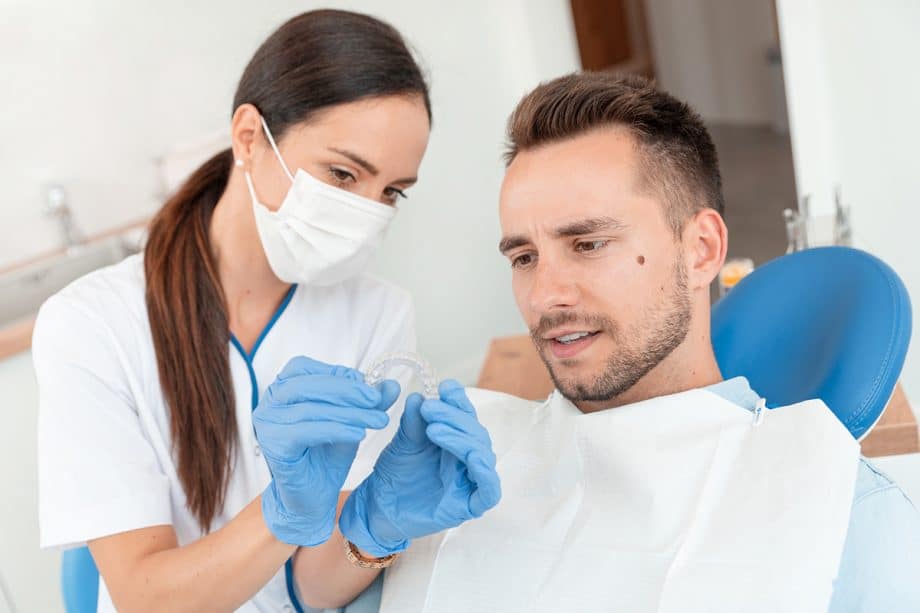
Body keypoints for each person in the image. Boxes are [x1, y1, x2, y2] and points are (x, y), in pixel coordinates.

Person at [347, 73, 920, 612]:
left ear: (700, 250)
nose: (544, 295)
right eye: (525, 257)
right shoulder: (459, 471)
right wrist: (366, 529)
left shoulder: (843, 520)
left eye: (589, 244)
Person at [34, 10, 498, 612]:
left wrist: (379, 523)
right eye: (342, 173)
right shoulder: (93, 326)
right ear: (250, 137)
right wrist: (281, 514)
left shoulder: (377, 315)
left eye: (391, 191)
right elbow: (144, 598)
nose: (367, 213)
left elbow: (313, 587)